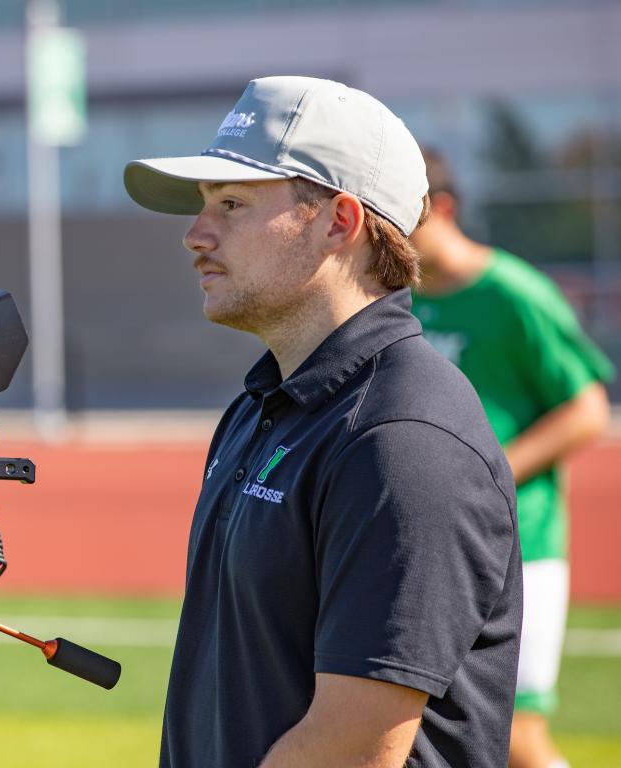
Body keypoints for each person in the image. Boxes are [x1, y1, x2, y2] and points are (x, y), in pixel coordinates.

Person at [123, 76, 522, 768]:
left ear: (340, 220)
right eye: (202, 206)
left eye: (233, 203)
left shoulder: (403, 439)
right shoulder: (263, 409)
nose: (194, 235)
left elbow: (350, 750)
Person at [410, 148, 614, 768]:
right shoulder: (394, 299)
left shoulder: (515, 294)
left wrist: (486, 471)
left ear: (443, 207)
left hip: (519, 547)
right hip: (428, 547)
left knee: (518, 740)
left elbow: (586, 409)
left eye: (403, 214)